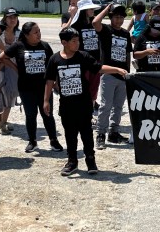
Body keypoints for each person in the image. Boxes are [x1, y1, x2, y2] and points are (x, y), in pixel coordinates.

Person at [44, 28, 127, 177]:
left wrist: (116, 69)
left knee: (86, 133)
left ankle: (90, 160)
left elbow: (99, 67)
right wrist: (46, 101)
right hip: (66, 105)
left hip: (83, 103)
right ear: (64, 42)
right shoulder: (55, 59)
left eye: (78, 40)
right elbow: (49, 81)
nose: (78, 44)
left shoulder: (83, 56)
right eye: (74, 41)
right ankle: (72, 161)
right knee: (70, 134)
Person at [1, 21, 63, 153]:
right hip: (26, 88)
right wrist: (16, 68)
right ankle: (32, 141)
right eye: (35, 32)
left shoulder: (45, 46)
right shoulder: (18, 46)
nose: (38, 34)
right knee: (30, 115)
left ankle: (53, 140)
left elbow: (52, 67)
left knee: (47, 114)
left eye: (39, 31)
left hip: (44, 87)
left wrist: (56, 84)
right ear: (26, 34)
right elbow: (2, 57)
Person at [92, 3, 132, 150]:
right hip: (108, 73)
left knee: (118, 106)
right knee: (105, 105)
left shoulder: (125, 33)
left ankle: (113, 132)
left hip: (122, 74)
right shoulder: (106, 30)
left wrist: (127, 71)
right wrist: (107, 8)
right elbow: (95, 22)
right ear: (111, 17)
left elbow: (127, 53)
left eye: (121, 17)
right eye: (116, 17)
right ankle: (100, 134)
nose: (119, 20)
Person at [62, 0, 101, 104]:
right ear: (83, 11)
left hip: (95, 60)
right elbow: (65, 35)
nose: (92, 10)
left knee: (94, 88)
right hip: (81, 61)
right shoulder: (76, 26)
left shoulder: (95, 24)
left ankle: (91, 111)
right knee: (83, 87)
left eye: (93, 8)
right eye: (90, 9)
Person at [0, 8, 20, 135]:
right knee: (0, 96)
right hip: (0, 67)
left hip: (14, 68)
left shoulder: (20, 34)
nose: (13, 19)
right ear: (5, 18)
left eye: (15, 17)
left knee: (11, 96)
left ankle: (4, 122)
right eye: (9, 17)